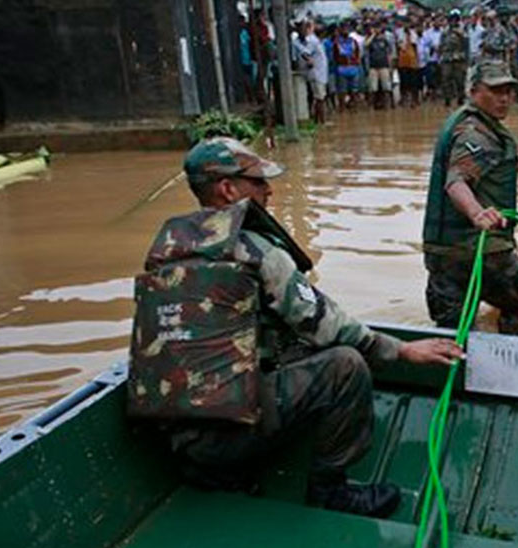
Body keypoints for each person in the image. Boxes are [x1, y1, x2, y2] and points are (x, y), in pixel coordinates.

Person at [128, 137, 463, 519]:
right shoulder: (256, 251)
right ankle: (330, 492)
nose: (268, 190)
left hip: (176, 437)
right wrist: (401, 349)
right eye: (258, 181)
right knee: (346, 364)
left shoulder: (168, 252)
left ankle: (213, 472)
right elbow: (323, 323)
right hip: (227, 435)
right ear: (228, 189)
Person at [422, 61, 518, 336]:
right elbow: (456, 181)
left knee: (452, 333)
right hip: (479, 249)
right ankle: (508, 369)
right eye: (495, 91)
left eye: (509, 91)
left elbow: (476, 163)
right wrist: (477, 213)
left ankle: (455, 373)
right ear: (474, 90)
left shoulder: (466, 122)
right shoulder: (475, 133)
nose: (505, 99)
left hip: (441, 253)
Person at [439, 9, 468, 108]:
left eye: (455, 20)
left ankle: (461, 98)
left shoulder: (462, 31)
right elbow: (441, 45)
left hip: (459, 59)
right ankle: (447, 98)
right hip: (447, 58)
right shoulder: (445, 32)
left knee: (460, 80)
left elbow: (466, 45)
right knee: (445, 78)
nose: (453, 22)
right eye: (451, 20)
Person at [365, 23, 393, 109]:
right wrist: (373, 35)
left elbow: (389, 53)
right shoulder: (369, 39)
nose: (377, 30)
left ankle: (387, 106)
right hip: (373, 66)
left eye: (378, 28)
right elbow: (366, 45)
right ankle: (371, 107)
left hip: (384, 65)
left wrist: (390, 66)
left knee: (386, 87)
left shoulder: (385, 40)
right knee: (373, 88)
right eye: (375, 28)